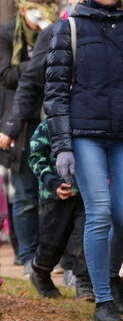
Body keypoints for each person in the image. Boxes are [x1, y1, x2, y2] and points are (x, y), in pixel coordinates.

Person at [43, 0, 123, 321]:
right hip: (85, 134)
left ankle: (109, 274)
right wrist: (62, 146)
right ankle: (102, 298)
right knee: (100, 211)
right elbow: (55, 92)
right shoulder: (69, 29)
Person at [0, 0, 60, 277]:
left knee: (51, 192)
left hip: (52, 119)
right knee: (24, 193)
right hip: (20, 122)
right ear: (23, 10)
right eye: (35, 12)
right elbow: (6, 75)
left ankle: (49, 256)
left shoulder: (59, 32)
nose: (40, 18)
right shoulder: (6, 34)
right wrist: (38, 61)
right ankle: (26, 255)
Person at [25, 117, 88, 299]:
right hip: (54, 196)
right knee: (52, 244)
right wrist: (52, 182)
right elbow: (36, 157)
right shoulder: (48, 125)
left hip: (85, 195)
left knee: (83, 240)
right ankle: (40, 272)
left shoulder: (88, 123)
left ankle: (84, 281)